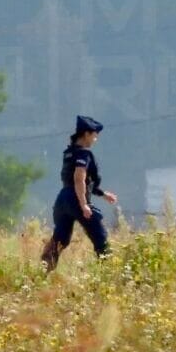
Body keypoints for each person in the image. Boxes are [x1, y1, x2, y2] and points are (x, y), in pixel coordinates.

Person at [41, 115, 118, 271]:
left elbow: (83, 182)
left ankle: (41, 271)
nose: (96, 138)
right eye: (94, 134)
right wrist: (84, 205)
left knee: (60, 240)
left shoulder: (69, 153)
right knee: (100, 236)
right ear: (86, 134)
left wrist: (103, 194)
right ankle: (110, 272)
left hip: (63, 200)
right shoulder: (84, 154)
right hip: (76, 199)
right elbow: (79, 178)